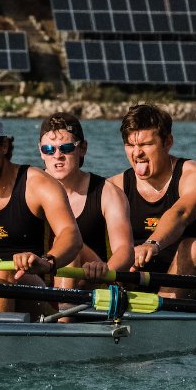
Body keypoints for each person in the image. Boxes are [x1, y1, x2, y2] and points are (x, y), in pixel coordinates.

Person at [0, 110, 81, 314]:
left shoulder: (38, 184)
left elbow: (71, 235)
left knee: (3, 273)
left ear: (4, 146)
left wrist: (47, 262)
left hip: (29, 283)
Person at [106, 104, 196, 299]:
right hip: (133, 282)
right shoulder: (114, 186)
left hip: (184, 284)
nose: (137, 153)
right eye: (130, 145)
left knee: (194, 248)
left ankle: (163, 310)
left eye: (146, 144)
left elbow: (180, 213)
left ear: (167, 142)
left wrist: (152, 244)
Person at [36, 113, 133, 289]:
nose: (57, 156)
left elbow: (124, 250)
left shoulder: (108, 193)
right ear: (41, 152)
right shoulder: (29, 189)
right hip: (38, 282)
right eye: (49, 149)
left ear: (83, 148)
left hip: (92, 282)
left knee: (70, 247)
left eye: (66, 148)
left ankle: (63, 306)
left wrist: (105, 270)